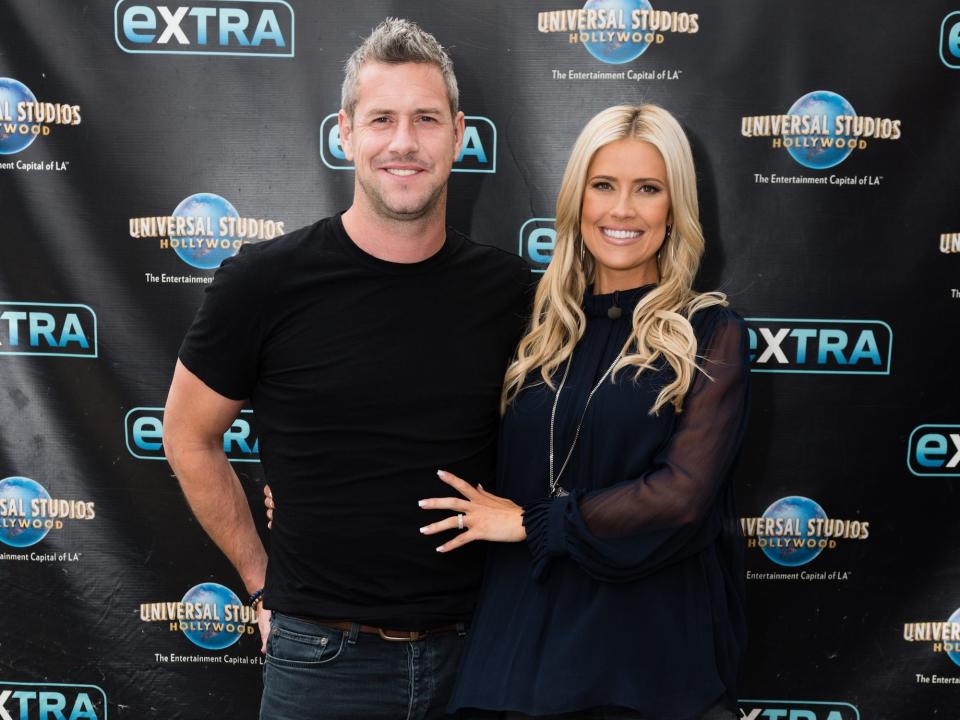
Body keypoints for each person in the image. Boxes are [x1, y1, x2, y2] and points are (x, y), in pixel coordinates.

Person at [163, 18, 530, 720]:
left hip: (480, 657)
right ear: (345, 132)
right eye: (382, 119)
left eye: (424, 120)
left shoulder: (512, 292)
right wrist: (259, 579)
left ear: (458, 134)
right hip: (321, 664)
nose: (403, 142)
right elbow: (187, 435)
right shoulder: (263, 283)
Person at [417, 105, 750, 719]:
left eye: (647, 189)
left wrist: (536, 523)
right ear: (577, 200)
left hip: (646, 657)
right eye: (604, 186)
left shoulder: (709, 333)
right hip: (516, 653)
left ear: (674, 208)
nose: (622, 210)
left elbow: (682, 495)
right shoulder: (534, 326)